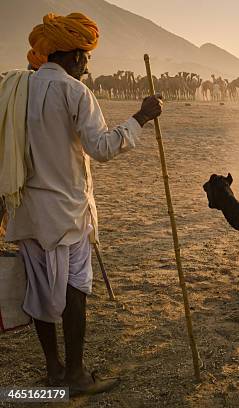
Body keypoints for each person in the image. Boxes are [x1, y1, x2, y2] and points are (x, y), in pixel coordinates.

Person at [2, 12, 162, 394]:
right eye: (86, 58)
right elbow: (102, 147)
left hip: (26, 212)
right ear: (73, 56)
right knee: (75, 290)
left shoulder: (15, 89)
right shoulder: (75, 92)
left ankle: (54, 370)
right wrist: (141, 117)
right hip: (67, 215)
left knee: (37, 290)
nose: (88, 66)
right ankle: (74, 375)